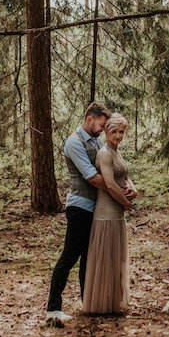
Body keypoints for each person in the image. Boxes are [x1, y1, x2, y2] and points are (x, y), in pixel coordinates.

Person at [45, 102, 135, 323]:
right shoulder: (74, 143)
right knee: (70, 256)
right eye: (101, 124)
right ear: (89, 119)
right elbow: (93, 177)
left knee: (89, 258)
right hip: (80, 207)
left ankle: (89, 303)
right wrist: (118, 194)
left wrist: (126, 185)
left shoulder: (96, 140)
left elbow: (113, 167)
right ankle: (53, 307)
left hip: (95, 209)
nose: (102, 129)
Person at [82, 113, 137, 315]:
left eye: (121, 132)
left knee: (116, 258)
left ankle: (113, 303)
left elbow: (125, 176)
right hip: (106, 213)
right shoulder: (104, 153)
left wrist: (134, 189)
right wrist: (126, 204)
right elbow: (110, 185)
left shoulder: (117, 152)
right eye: (114, 131)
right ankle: (101, 305)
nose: (118, 136)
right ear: (106, 131)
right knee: (106, 258)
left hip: (117, 213)